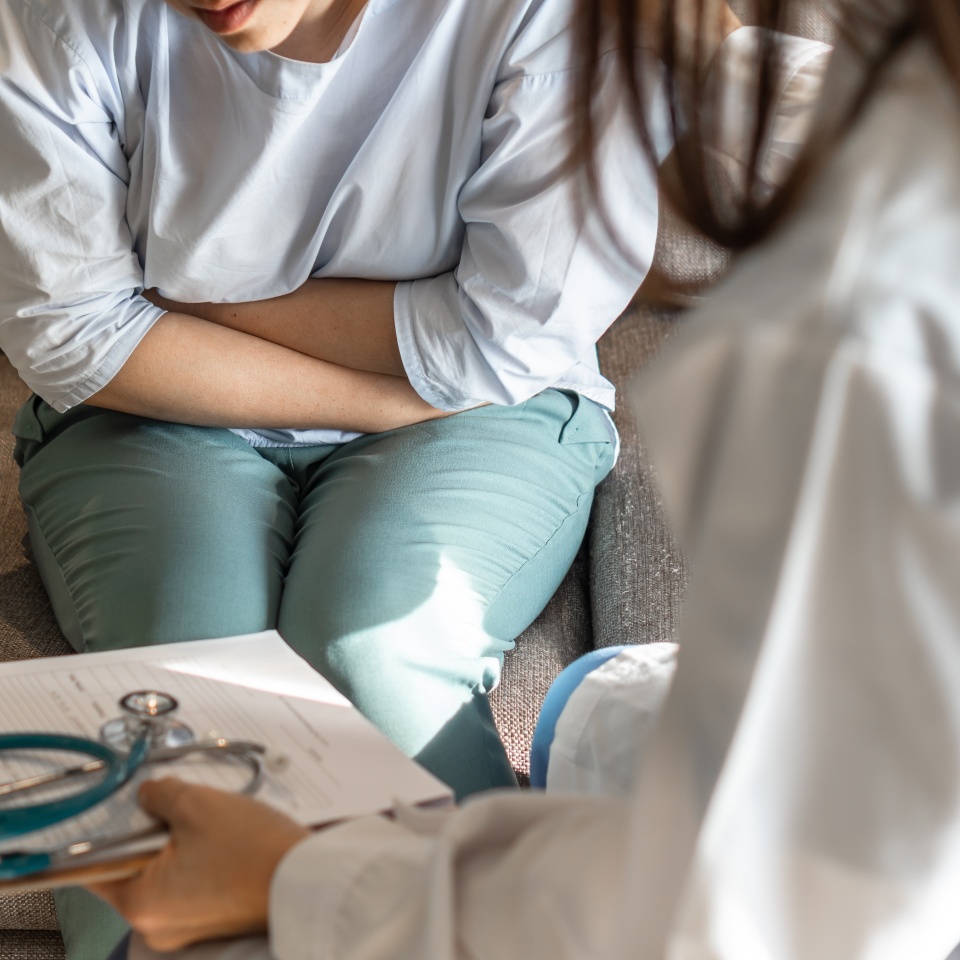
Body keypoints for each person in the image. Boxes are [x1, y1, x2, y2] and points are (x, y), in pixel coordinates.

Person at [81, 0, 960, 956]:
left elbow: (783, 898)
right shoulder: (857, 163)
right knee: (185, 658)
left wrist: (298, 883)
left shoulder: (883, 299)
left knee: (372, 640)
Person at [0, 0, 707, 953]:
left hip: (484, 416)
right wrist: (385, 398)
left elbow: (508, 339)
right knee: (183, 669)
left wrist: (180, 296)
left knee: (376, 641)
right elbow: (72, 332)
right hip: (158, 406)